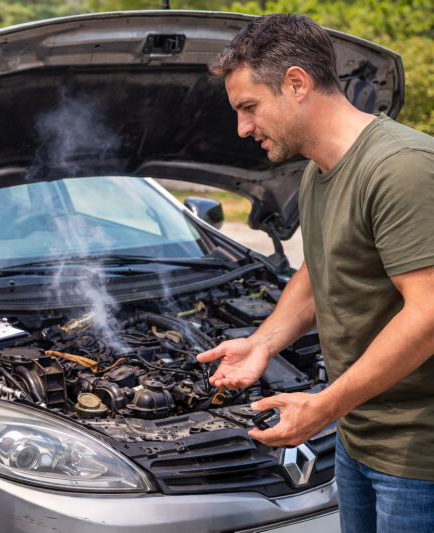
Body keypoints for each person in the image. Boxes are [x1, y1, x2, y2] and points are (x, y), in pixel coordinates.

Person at [197, 13, 434, 533]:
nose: (243, 127)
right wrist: (263, 343)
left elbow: (429, 313)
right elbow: (319, 268)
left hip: (418, 458)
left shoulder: (402, 167)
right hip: (360, 435)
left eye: (249, 107)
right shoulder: (319, 169)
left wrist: (323, 406)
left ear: (297, 83)